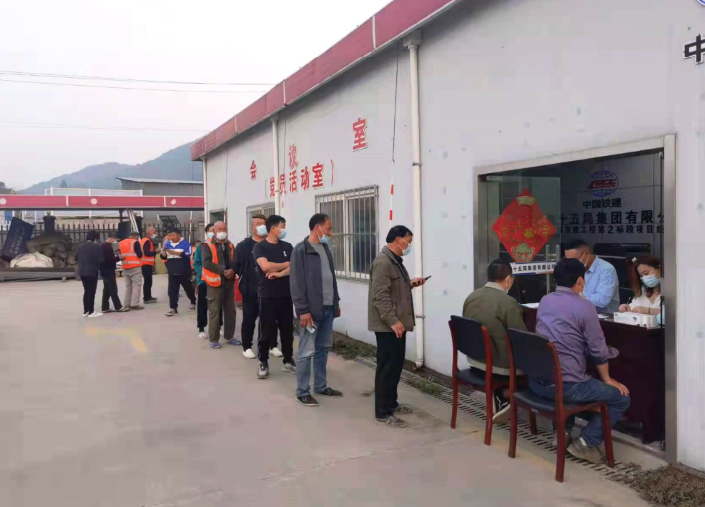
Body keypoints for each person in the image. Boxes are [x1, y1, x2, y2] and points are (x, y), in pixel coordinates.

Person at [531, 258, 630, 464]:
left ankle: (562, 433)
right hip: (566, 387)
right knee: (621, 398)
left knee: (568, 376)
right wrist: (608, 379)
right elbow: (598, 351)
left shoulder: (545, 300)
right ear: (580, 281)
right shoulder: (585, 307)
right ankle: (586, 443)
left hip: (538, 382)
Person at [368, 225, 426, 428]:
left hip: (396, 324)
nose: (409, 245)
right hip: (388, 326)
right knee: (387, 368)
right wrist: (393, 321)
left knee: (395, 367)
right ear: (398, 239)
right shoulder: (383, 262)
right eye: (408, 241)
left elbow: (393, 288)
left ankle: (391, 404)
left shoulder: (395, 261)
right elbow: (380, 296)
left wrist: (410, 283)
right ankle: (383, 413)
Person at [462, 258, 527, 422]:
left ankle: (501, 396)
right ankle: (506, 395)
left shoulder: (472, 296)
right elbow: (522, 338)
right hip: (498, 365)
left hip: (475, 360)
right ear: (508, 279)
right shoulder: (508, 302)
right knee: (537, 366)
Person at [290, 213, 343, 407]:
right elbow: (296, 283)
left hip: (328, 308)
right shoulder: (301, 250)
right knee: (306, 351)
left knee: (323, 348)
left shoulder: (325, 248)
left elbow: (331, 278)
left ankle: (320, 386)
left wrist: (336, 302)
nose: (330, 232)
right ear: (317, 228)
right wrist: (303, 310)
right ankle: (302, 392)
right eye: (328, 228)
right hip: (310, 311)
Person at [253, 214, 296, 379]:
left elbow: (294, 266)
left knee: (287, 330)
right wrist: (285, 264)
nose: (284, 230)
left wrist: (279, 273)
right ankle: (263, 362)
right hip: (267, 295)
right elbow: (265, 266)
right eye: (282, 226)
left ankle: (288, 360)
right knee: (266, 330)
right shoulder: (260, 247)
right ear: (273, 228)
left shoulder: (287, 246)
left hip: (286, 294)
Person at [235, 214, 279, 359]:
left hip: (270, 287)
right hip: (250, 288)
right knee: (249, 318)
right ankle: (247, 346)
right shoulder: (244, 245)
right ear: (252, 227)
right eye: (259, 224)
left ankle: (272, 345)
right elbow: (237, 265)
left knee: (270, 318)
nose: (262, 226)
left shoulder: (273, 243)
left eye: (264, 223)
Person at [202, 221, 239, 349]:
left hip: (229, 282)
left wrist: (232, 270)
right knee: (215, 312)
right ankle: (214, 339)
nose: (223, 231)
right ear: (214, 231)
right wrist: (223, 271)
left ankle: (229, 336)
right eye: (220, 229)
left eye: (224, 229)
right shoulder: (207, 245)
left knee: (230, 311)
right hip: (215, 283)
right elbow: (206, 263)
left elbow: (235, 260)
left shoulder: (230, 245)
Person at [564, 239, 619, 314]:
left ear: (586, 254)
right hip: (581, 314)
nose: (570, 264)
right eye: (567, 261)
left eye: (573, 260)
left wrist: (576, 298)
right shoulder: (574, 270)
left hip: (604, 317)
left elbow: (602, 300)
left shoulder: (607, 270)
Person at [160, 227, 197, 316]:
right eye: (169, 235)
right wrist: (163, 255)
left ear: (178, 235)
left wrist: (173, 252)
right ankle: (173, 308)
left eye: (173, 235)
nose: (171, 237)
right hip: (172, 272)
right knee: (172, 291)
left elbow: (187, 255)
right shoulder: (167, 244)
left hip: (183, 272)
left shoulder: (185, 244)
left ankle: (193, 300)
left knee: (188, 288)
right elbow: (164, 257)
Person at [76, 230, 105, 318]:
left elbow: (76, 257)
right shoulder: (97, 247)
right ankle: (91, 312)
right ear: (95, 238)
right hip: (92, 272)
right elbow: (101, 260)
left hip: (82, 272)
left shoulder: (80, 246)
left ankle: (86, 311)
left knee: (86, 291)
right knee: (92, 292)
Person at [192, 224, 214, 339]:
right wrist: (205, 275)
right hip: (204, 281)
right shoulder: (201, 246)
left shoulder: (222, 245)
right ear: (207, 233)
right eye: (211, 231)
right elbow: (196, 263)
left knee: (217, 306)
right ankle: (201, 328)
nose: (213, 233)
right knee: (202, 305)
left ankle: (218, 326)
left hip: (218, 281)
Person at [119, 231, 145, 311]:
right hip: (135, 266)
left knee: (128, 287)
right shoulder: (135, 242)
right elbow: (139, 254)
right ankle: (134, 304)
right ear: (136, 237)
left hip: (125, 266)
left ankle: (126, 304)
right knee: (137, 285)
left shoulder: (121, 243)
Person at [100, 233, 124, 313]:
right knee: (113, 288)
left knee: (106, 289)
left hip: (104, 270)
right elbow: (110, 259)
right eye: (115, 240)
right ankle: (118, 307)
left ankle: (105, 307)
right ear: (111, 238)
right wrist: (119, 258)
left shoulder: (103, 245)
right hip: (108, 270)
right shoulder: (107, 247)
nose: (115, 242)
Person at [140, 227, 158, 304]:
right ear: (149, 232)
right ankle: (147, 298)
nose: (155, 234)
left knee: (148, 281)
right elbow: (147, 253)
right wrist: (155, 252)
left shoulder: (144, 240)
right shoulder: (147, 241)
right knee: (148, 281)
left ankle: (148, 296)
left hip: (145, 263)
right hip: (146, 264)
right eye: (154, 232)